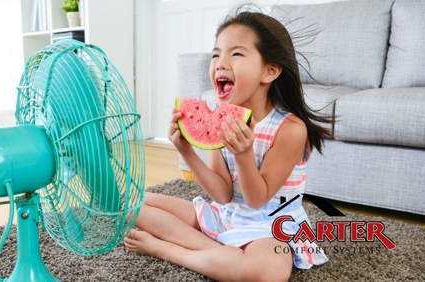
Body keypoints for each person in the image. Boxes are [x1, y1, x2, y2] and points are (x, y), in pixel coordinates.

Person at [124, 5, 331, 282]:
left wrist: (244, 154)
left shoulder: (290, 129)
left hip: (270, 225)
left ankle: (170, 250)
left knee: (267, 273)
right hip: (226, 213)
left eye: (236, 54)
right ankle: (221, 254)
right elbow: (221, 194)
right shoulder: (221, 118)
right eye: (216, 54)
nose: (220, 62)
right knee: (131, 203)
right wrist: (186, 150)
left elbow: (258, 199)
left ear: (269, 71)